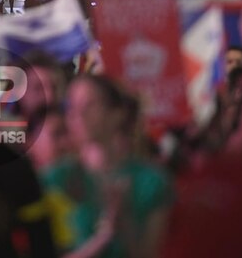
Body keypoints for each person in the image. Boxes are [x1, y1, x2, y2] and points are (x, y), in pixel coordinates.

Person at [42, 75, 171, 258]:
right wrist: (103, 238)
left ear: (117, 114)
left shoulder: (150, 180)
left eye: (90, 105)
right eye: (72, 106)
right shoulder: (55, 179)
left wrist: (124, 223)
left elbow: (149, 253)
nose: (78, 114)